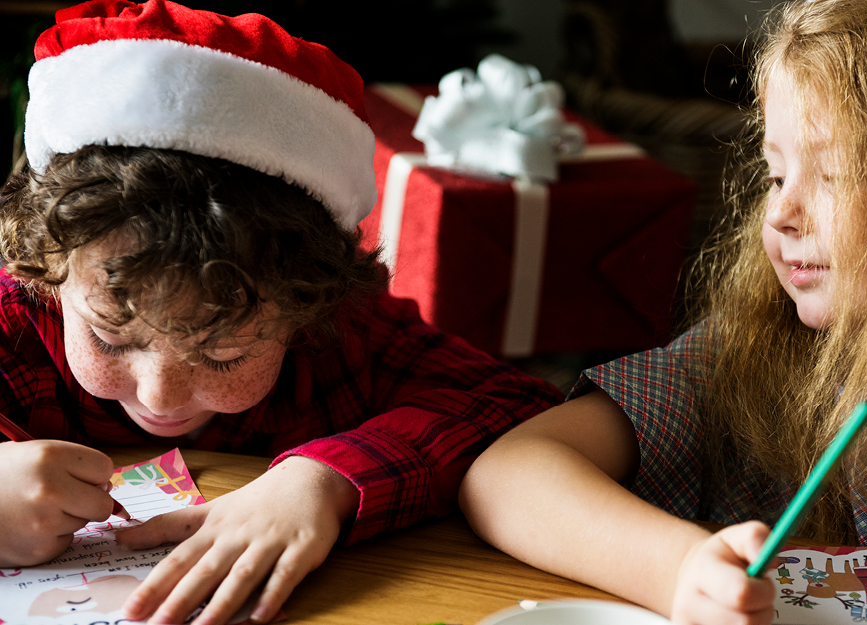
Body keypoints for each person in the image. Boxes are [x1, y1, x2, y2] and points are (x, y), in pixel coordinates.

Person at [0, 1, 564, 624]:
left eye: (224, 353)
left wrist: (323, 482)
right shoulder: (14, 320)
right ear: (48, 271)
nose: (160, 396)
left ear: (307, 308)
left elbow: (515, 405)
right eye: (109, 338)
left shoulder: (342, 335)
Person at [458, 0, 867, 623]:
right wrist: (681, 569)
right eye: (775, 176)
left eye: (832, 174)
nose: (779, 215)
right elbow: (507, 476)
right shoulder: (747, 356)